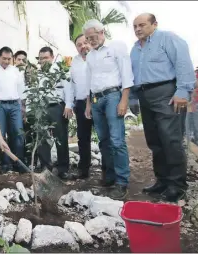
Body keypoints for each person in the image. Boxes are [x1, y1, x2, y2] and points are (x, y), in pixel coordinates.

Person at [130, 13, 196, 202]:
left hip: (166, 93)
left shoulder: (168, 38)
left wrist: (183, 91)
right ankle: (163, 180)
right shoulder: (135, 49)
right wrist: (134, 98)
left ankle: (177, 185)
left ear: (154, 24)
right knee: (155, 140)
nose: (137, 29)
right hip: (145, 95)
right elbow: (135, 75)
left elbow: (183, 64)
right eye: (134, 26)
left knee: (171, 139)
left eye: (142, 25)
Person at [83, 19, 133, 200]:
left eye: (93, 36)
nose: (90, 41)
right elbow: (89, 81)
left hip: (113, 97)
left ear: (102, 32)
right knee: (103, 140)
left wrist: (124, 100)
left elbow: (127, 74)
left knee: (117, 140)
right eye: (88, 38)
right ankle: (110, 176)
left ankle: (122, 181)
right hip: (96, 100)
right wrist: (89, 104)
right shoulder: (90, 56)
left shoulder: (116, 47)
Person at [69, 34, 111, 182]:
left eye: (84, 42)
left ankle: (107, 173)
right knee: (83, 138)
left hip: (98, 101)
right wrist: (72, 103)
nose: (83, 46)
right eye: (79, 45)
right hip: (80, 104)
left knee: (104, 137)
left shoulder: (98, 57)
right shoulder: (74, 62)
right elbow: (72, 85)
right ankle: (83, 170)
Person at [30, 46, 75, 180]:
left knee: (60, 138)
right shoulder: (37, 74)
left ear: (52, 57)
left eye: (46, 58)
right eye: (41, 58)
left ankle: (62, 168)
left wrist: (68, 105)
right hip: (42, 108)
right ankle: (46, 167)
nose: (43, 61)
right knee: (42, 139)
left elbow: (69, 89)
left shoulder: (60, 71)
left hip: (57, 107)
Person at [0, 47, 27, 174]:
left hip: (15, 105)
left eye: (9, 59)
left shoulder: (16, 71)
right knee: (1, 134)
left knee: (18, 134)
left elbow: (21, 91)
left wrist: (23, 108)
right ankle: (5, 164)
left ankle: (19, 163)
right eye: (4, 58)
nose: (7, 61)